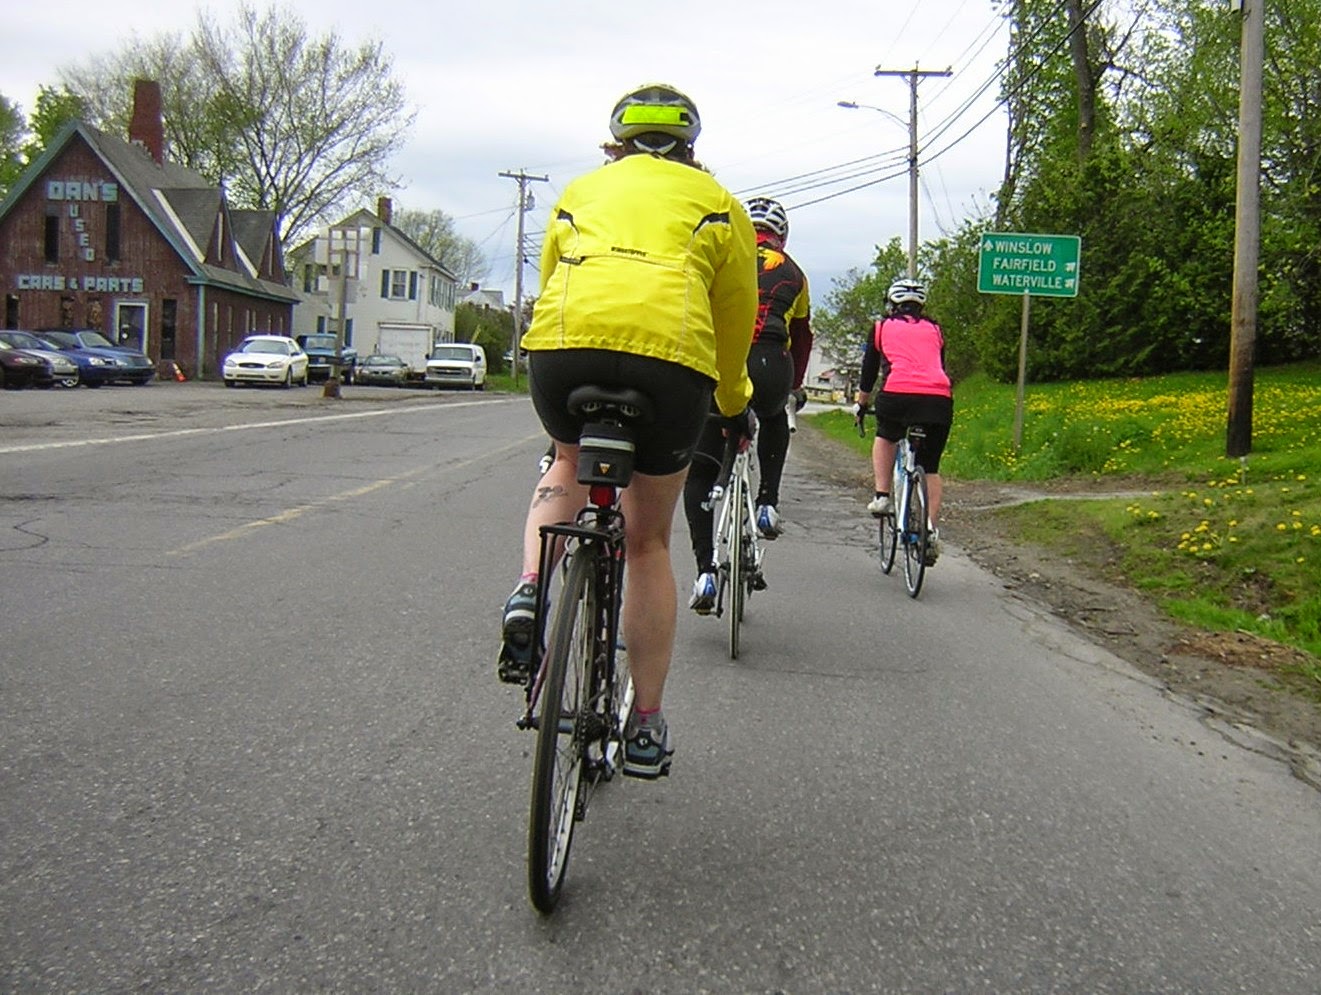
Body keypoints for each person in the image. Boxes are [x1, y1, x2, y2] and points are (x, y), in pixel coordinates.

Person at [497, 82, 759, 780]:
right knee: (646, 542)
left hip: (566, 351)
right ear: (690, 147)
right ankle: (644, 720)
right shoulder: (720, 205)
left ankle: (530, 586)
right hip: (670, 363)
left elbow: (551, 280)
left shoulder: (580, 191)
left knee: (564, 462)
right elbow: (735, 319)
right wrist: (733, 400)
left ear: (616, 143)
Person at [682, 195, 813, 613]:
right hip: (770, 363)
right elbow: (802, 337)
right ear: (781, 236)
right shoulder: (795, 272)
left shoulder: (721, 256)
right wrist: (794, 386)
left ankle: (705, 572)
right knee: (775, 415)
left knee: (701, 467)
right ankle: (767, 503)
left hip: (718, 360)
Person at [854, 279, 953, 566]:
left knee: (886, 436)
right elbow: (939, 366)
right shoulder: (935, 329)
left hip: (897, 394)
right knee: (930, 467)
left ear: (892, 304)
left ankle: (882, 496)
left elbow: (869, 372)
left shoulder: (881, 327)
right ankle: (929, 531)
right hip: (938, 399)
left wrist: (862, 404)